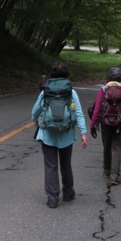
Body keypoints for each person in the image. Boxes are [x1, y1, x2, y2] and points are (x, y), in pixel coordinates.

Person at [31, 61, 88, 208]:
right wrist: (83, 132)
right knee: (65, 164)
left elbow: (34, 113)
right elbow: (79, 113)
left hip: (47, 134)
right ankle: (68, 193)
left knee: (51, 166)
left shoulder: (45, 92)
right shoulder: (71, 92)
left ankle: (53, 199)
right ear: (67, 75)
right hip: (66, 135)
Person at [90, 66, 121, 185]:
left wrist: (93, 124)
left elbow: (96, 109)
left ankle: (106, 170)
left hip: (105, 122)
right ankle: (114, 175)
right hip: (120, 123)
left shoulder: (103, 89)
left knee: (106, 145)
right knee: (117, 147)